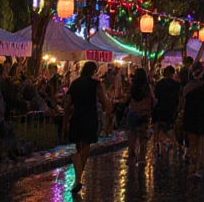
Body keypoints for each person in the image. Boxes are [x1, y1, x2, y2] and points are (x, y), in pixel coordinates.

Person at [63, 61, 113, 194]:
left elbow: (67, 104)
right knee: (86, 146)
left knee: (78, 147)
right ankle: (78, 177)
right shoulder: (96, 84)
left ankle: (78, 178)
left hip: (77, 117)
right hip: (90, 117)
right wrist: (108, 109)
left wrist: (64, 122)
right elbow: (105, 102)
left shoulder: (75, 83)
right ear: (94, 71)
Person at [125, 68, 155, 165]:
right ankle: (142, 157)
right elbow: (153, 98)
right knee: (143, 136)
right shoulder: (147, 87)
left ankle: (130, 156)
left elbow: (127, 98)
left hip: (133, 112)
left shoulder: (132, 87)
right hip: (144, 114)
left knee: (132, 136)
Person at [152, 66, 182, 158]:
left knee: (158, 128)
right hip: (171, 109)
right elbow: (179, 98)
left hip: (160, 108)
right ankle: (175, 146)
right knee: (170, 127)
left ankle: (158, 146)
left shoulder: (159, 83)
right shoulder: (177, 85)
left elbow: (156, 97)